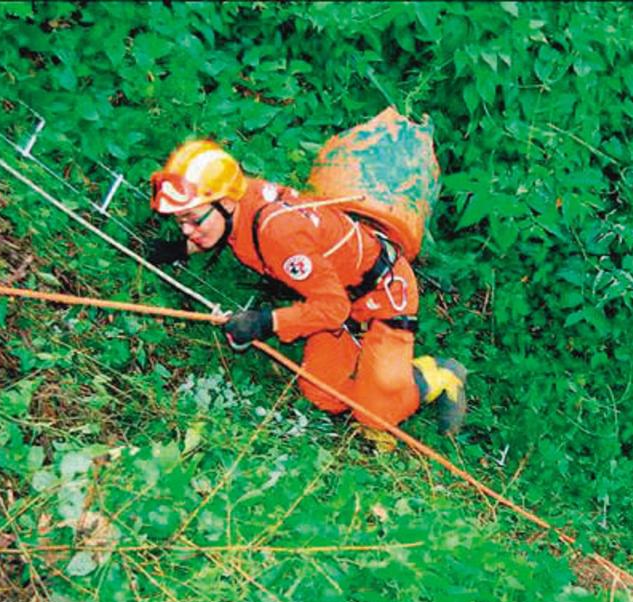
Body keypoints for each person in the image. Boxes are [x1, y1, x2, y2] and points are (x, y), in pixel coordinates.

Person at [148, 140, 466, 448]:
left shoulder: (277, 233)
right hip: (338, 293)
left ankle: (435, 377)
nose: (187, 229)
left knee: (373, 414)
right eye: (181, 222)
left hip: (382, 293)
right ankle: (377, 390)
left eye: (192, 220)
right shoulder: (241, 203)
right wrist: (181, 248)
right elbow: (226, 233)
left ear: (225, 203)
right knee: (321, 393)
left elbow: (333, 309)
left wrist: (263, 322)